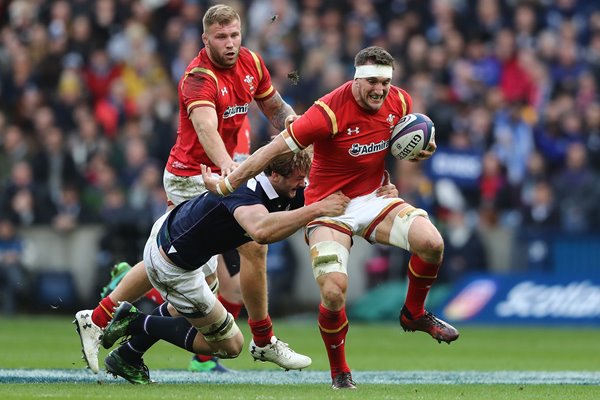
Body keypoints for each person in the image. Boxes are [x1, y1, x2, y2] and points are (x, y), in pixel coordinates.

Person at [203, 46, 460, 390]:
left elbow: (397, 145)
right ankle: (340, 373)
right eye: (372, 82)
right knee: (335, 291)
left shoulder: (399, 103)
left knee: (432, 243)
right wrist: (228, 182)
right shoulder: (327, 112)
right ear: (356, 79)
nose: (379, 90)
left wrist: (408, 167)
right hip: (329, 207)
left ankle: (413, 314)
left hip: (372, 200)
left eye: (385, 83)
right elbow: (271, 151)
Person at [74, 4, 302, 374]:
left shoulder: (251, 64)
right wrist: (228, 166)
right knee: (249, 245)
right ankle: (263, 340)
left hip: (222, 177)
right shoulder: (198, 77)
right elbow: (205, 128)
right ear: (205, 39)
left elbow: (275, 107)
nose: (229, 44)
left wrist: (295, 125)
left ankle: (110, 321)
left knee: (191, 277)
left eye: (234, 35)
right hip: (191, 177)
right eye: (221, 37)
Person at [99, 150, 350, 384]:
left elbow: (323, 192)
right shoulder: (245, 191)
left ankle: (128, 356)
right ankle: (133, 321)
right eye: (298, 179)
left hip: (177, 241)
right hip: (175, 267)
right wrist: (317, 209)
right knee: (230, 346)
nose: (303, 184)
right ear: (274, 174)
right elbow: (261, 231)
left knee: (191, 307)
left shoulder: (280, 187)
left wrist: (377, 194)